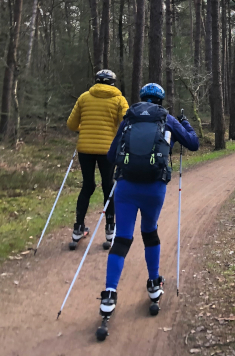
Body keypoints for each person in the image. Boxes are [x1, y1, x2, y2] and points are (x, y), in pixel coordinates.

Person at [98, 83, 199, 318]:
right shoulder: (168, 119)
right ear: (161, 101)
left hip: (125, 186)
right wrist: (185, 124)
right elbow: (193, 143)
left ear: (141, 98)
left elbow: (112, 156)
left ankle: (110, 294)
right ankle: (154, 283)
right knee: (149, 232)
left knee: (122, 238)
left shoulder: (129, 119)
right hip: (154, 188)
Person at [66, 70, 129, 249]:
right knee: (108, 186)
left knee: (87, 185)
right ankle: (110, 230)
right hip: (108, 150)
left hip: (85, 148)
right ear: (113, 83)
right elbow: (126, 123)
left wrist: (84, 129)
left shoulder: (84, 97)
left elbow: (71, 125)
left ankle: (78, 228)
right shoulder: (119, 100)